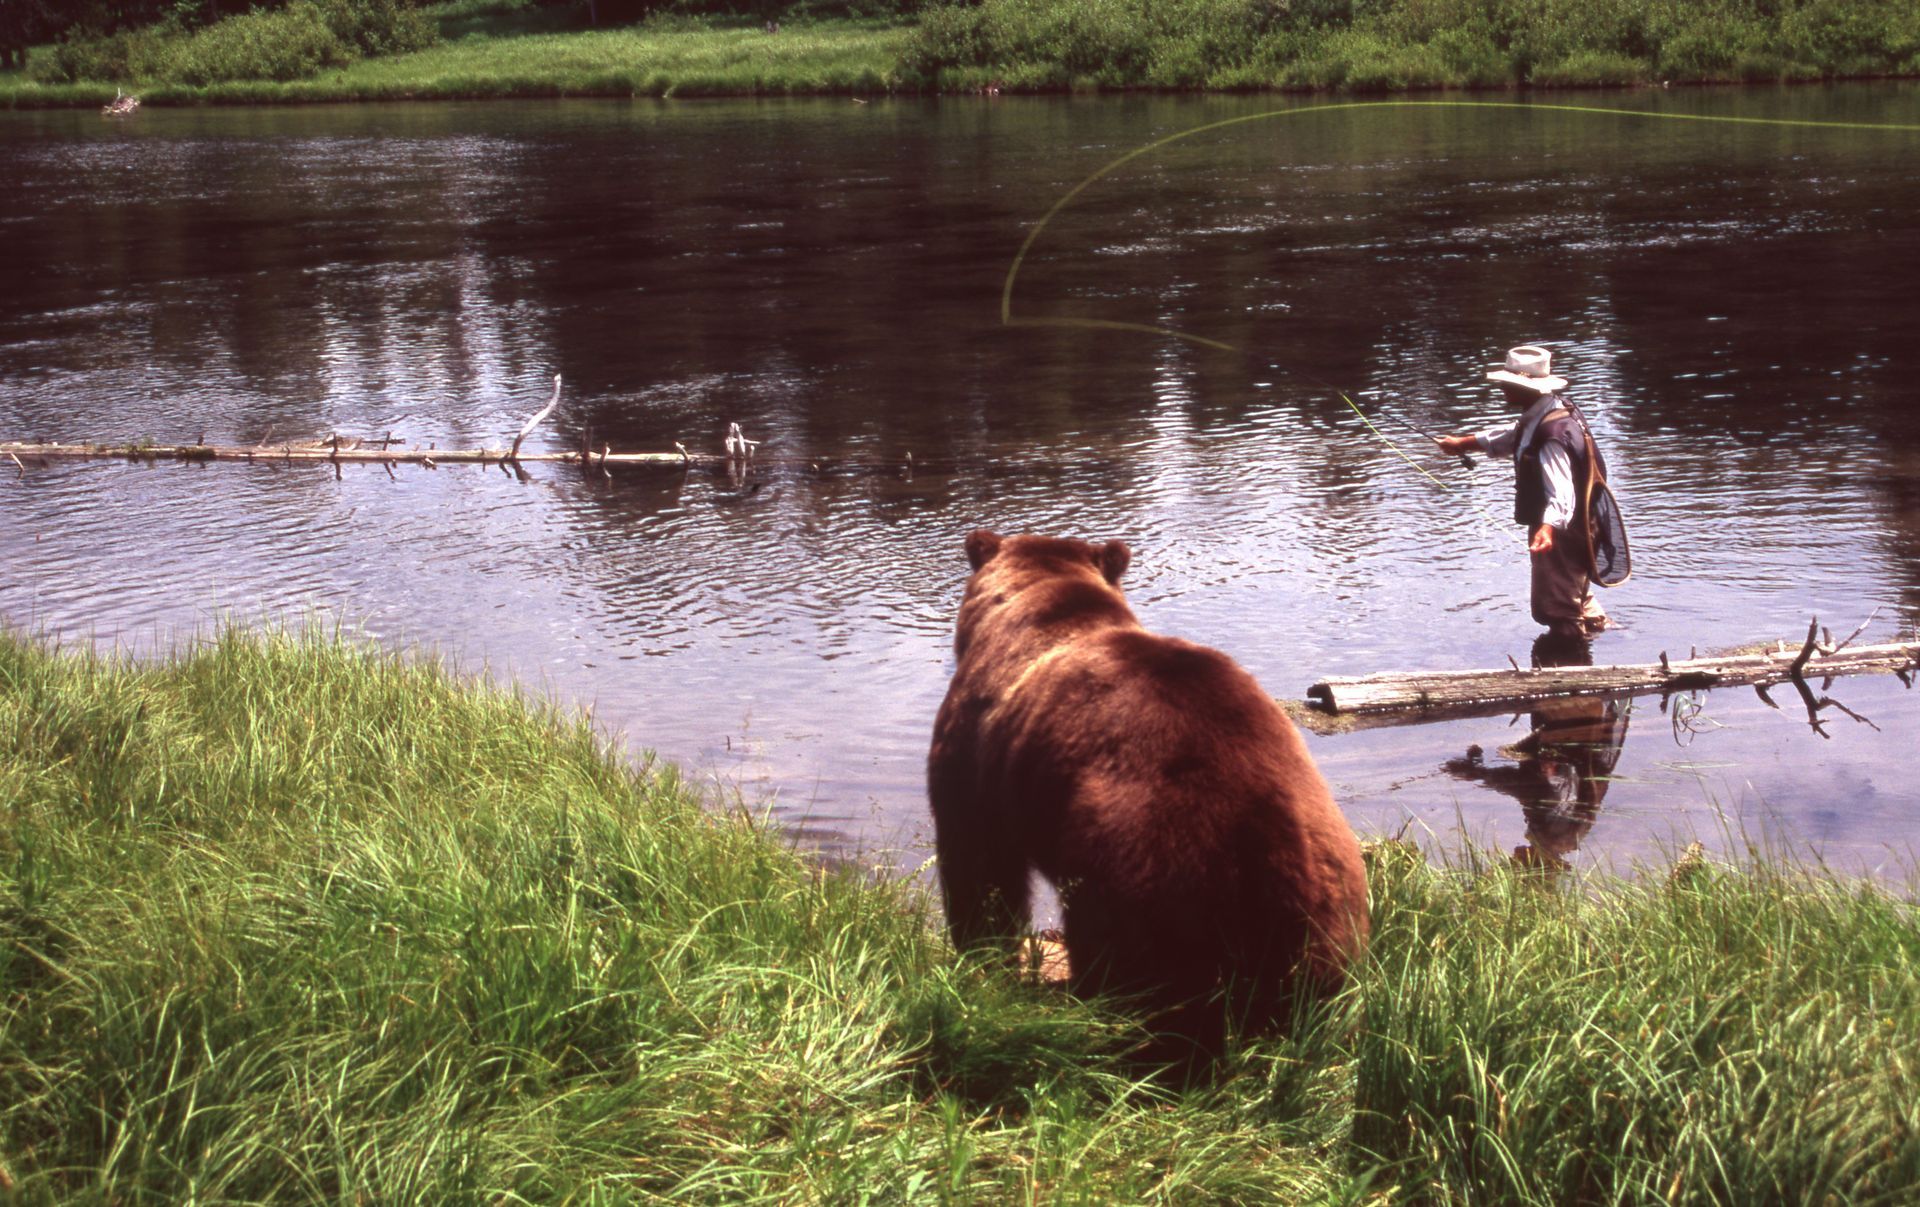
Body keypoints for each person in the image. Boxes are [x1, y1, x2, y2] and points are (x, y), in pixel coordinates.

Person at [1437, 345, 1620, 642]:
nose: (1502, 388)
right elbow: (1517, 432)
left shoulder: (1551, 436)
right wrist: (1464, 444)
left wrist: (1547, 529)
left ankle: (1571, 677)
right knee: (1574, 593)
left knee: (1556, 608)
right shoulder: (1554, 410)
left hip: (1562, 527)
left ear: (1528, 388)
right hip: (1580, 521)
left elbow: (1561, 491)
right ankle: (1613, 639)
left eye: (1510, 384)